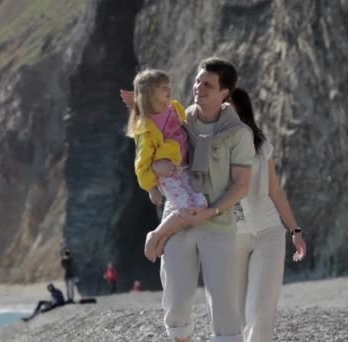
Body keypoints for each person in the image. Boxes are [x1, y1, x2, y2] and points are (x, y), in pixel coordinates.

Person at [124, 57, 255, 342]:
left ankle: (157, 234)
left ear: (224, 93)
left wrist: (212, 211)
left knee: (223, 306)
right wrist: (154, 177)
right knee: (176, 300)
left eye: (207, 84)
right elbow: (146, 148)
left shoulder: (239, 134)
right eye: (197, 81)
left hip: (218, 224)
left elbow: (241, 185)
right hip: (179, 218)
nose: (198, 87)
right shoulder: (177, 119)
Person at [230, 88, 308, 341]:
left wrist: (295, 230)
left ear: (242, 109)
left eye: (229, 105)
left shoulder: (262, 146)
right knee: (238, 316)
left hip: (269, 232)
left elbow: (275, 190)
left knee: (261, 314)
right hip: (232, 237)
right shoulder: (210, 145)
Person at [125, 69, 208, 262]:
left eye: (168, 86)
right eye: (163, 88)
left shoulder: (175, 109)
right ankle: (155, 235)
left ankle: (162, 239)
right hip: (168, 176)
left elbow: (188, 131)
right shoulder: (146, 127)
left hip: (186, 167)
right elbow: (142, 163)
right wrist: (152, 188)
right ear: (149, 94)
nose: (168, 90)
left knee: (201, 204)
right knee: (186, 209)